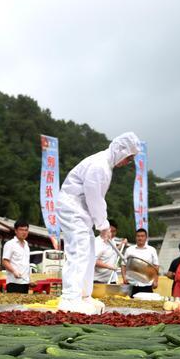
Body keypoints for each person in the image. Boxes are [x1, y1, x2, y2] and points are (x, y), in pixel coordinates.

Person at [55, 132, 141, 313]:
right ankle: (70, 298)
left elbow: (96, 199)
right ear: (121, 150)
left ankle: (83, 296)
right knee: (78, 251)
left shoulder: (105, 165)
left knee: (88, 251)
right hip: (72, 209)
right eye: (129, 158)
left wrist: (102, 224)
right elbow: (94, 198)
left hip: (81, 212)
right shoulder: (100, 165)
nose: (128, 163)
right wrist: (103, 225)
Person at [122, 228, 160, 296]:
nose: (140, 238)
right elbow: (123, 265)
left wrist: (155, 281)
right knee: (129, 305)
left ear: (146, 238)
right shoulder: (129, 250)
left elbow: (156, 266)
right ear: (135, 237)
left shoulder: (152, 250)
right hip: (131, 284)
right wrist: (124, 277)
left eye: (142, 236)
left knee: (146, 305)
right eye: (138, 236)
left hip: (146, 284)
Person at [2, 220, 31, 293]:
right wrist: (14, 271)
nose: (24, 232)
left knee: (24, 304)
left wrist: (29, 280)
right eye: (21, 230)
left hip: (25, 283)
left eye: (26, 230)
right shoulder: (10, 244)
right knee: (14, 304)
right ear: (15, 231)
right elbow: (5, 261)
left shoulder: (27, 245)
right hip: (13, 282)